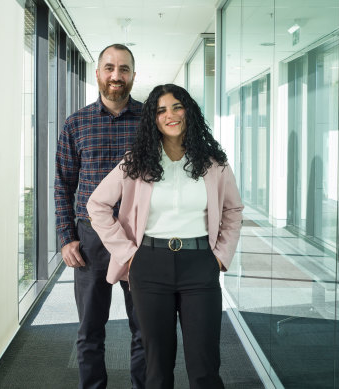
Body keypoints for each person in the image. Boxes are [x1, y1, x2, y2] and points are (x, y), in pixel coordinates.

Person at [86, 83, 244, 389]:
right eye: (160, 110)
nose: (169, 115)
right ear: (152, 120)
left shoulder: (214, 163)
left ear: (189, 111)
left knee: (205, 366)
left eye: (176, 106)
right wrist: (127, 254)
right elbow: (97, 204)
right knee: (156, 367)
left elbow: (233, 210)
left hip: (199, 264)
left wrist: (221, 256)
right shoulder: (137, 162)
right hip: (149, 265)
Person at [55, 43, 145, 389]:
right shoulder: (75, 123)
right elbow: (63, 183)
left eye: (123, 69)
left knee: (146, 329)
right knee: (90, 330)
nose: (116, 76)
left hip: (139, 237)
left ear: (134, 76)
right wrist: (67, 238)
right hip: (92, 240)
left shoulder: (150, 123)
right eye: (109, 68)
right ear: (97, 74)